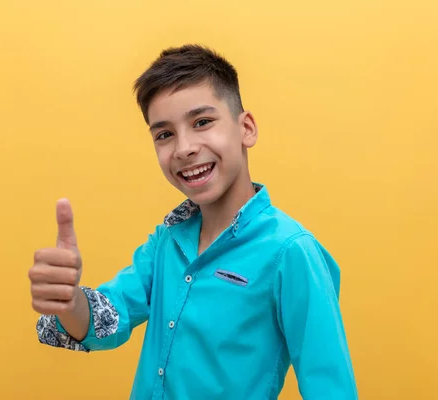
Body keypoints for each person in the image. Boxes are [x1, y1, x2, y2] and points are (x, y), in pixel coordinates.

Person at [28, 44, 358, 399]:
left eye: (202, 122)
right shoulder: (167, 241)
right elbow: (109, 318)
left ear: (246, 128)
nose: (184, 148)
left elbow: (330, 386)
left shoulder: (290, 251)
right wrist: (69, 301)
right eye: (164, 134)